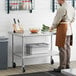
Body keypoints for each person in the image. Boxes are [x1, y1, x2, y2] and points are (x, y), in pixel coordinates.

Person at [50, 0, 75, 72]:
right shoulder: (71, 7)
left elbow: (57, 19)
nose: (57, 1)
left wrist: (52, 27)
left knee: (62, 48)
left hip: (63, 29)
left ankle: (62, 66)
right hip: (69, 28)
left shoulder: (62, 8)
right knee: (67, 47)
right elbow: (73, 19)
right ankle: (67, 65)